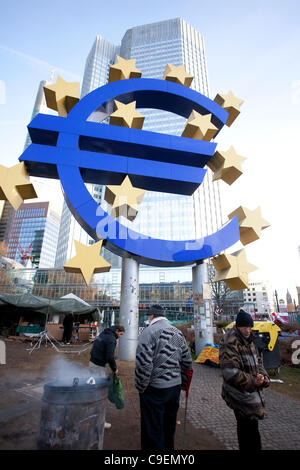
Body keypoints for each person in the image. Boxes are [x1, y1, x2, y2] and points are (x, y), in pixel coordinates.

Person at [135, 304, 193, 451]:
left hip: (155, 389)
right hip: (174, 389)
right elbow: (187, 362)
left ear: (151, 316)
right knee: (169, 427)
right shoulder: (177, 332)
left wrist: (142, 388)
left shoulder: (148, 332)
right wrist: (181, 381)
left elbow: (143, 365)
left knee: (152, 431)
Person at [219, 308, 270, 450]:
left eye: (250, 327)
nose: (248, 330)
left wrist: (264, 377)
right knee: (247, 431)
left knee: (251, 430)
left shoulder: (249, 339)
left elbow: (258, 361)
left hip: (250, 393)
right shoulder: (230, 341)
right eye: (245, 327)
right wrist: (253, 381)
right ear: (238, 326)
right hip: (239, 394)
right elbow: (230, 372)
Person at [89, 324, 125, 429]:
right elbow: (110, 356)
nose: (121, 336)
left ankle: (90, 417)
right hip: (98, 367)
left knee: (92, 392)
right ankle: (99, 422)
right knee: (100, 395)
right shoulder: (111, 339)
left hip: (92, 364)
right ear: (117, 331)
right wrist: (115, 369)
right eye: (121, 334)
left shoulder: (104, 333)